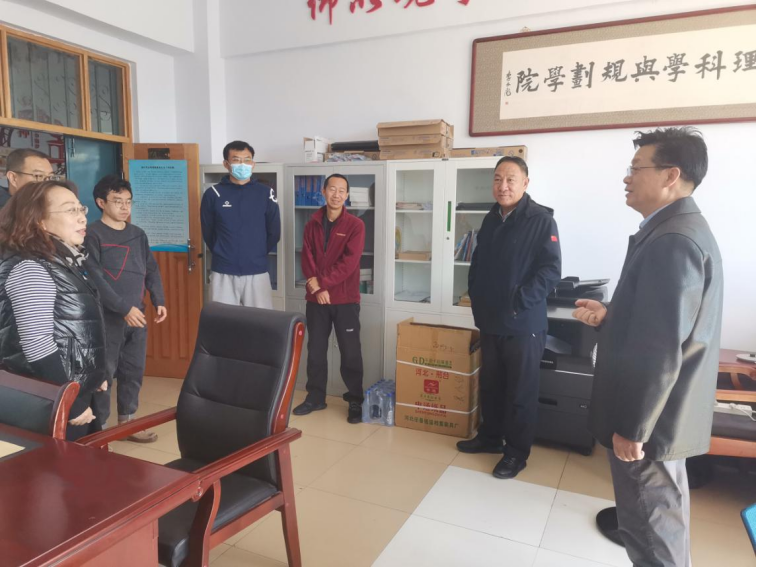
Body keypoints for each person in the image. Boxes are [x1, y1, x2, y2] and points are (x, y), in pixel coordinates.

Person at [573, 127, 723, 567]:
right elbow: (661, 325)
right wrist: (611, 315)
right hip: (662, 416)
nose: (627, 177)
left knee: (652, 531)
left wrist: (633, 427)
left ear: (671, 175)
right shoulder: (676, 230)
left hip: (651, 424)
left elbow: (660, 349)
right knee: (662, 521)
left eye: (636, 168)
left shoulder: (674, 241)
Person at [457, 156, 562, 480]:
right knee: (491, 386)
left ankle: (516, 453)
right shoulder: (491, 218)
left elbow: (550, 271)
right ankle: (490, 438)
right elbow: (478, 264)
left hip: (522, 323)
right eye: (497, 179)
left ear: (525, 183)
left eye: (510, 179)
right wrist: (476, 296)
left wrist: (519, 302)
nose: (503, 186)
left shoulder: (541, 220)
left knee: (520, 392)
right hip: (490, 320)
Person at [0, 180, 107, 440]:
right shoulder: (30, 268)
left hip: (67, 390)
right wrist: (70, 402)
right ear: (40, 221)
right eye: (71, 210)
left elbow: (75, 328)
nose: (82, 217)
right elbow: (37, 345)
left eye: (81, 209)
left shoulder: (63, 261)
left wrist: (93, 375)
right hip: (47, 400)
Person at [84, 175, 166, 443]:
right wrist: (123, 308)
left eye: (128, 201)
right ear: (101, 202)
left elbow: (151, 269)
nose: (124, 207)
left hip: (137, 315)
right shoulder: (91, 234)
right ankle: (100, 431)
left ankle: (127, 423)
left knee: (133, 371)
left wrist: (159, 299)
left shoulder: (137, 234)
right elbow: (95, 278)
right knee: (104, 374)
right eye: (117, 201)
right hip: (108, 318)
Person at [293, 174, 366, 424]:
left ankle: (355, 400)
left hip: (345, 300)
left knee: (350, 352)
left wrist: (321, 284)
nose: (337, 194)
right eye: (332, 189)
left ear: (347, 195)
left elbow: (349, 263)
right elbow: (307, 258)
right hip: (317, 301)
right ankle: (315, 397)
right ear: (323, 192)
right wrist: (317, 290)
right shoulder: (312, 223)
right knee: (315, 350)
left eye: (342, 190)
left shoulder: (355, 225)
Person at [200, 140, 280, 308]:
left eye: (247, 160)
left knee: (260, 321)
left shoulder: (266, 193)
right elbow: (208, 232)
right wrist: (224, 252)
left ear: (253, 164)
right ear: (226, 164)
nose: (242, 164)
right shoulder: (213, 194)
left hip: (257, 271)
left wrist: (255, 253)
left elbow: (274, 232)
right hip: (223, 271)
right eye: (236, 160)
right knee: (223, 320)